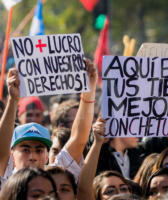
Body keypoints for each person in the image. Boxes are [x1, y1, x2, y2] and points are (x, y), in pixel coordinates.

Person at [0, 59, 97, 189]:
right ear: (12, 155)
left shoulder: (56, 179)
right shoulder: (5, 181)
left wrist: (89, 92)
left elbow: (79, 139)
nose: (32, 157)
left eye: (39, 150)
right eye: (25, 150)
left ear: (47, 156)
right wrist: (13, 100)